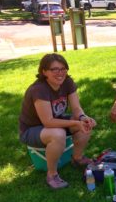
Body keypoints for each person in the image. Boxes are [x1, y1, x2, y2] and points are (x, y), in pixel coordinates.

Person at [19, 53, 96, 189]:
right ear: (44, 72)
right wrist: (74, 123)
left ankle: (77, 158)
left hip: (56, 122)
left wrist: (83, 118)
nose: (60, 73)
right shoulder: (39, 89)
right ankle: (52, 174)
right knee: (58, 134)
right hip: (32, 129)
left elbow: (77, 108)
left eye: (63, 69)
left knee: (85, 124)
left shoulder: (67, 82)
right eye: (54, 69)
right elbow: (48, 122)